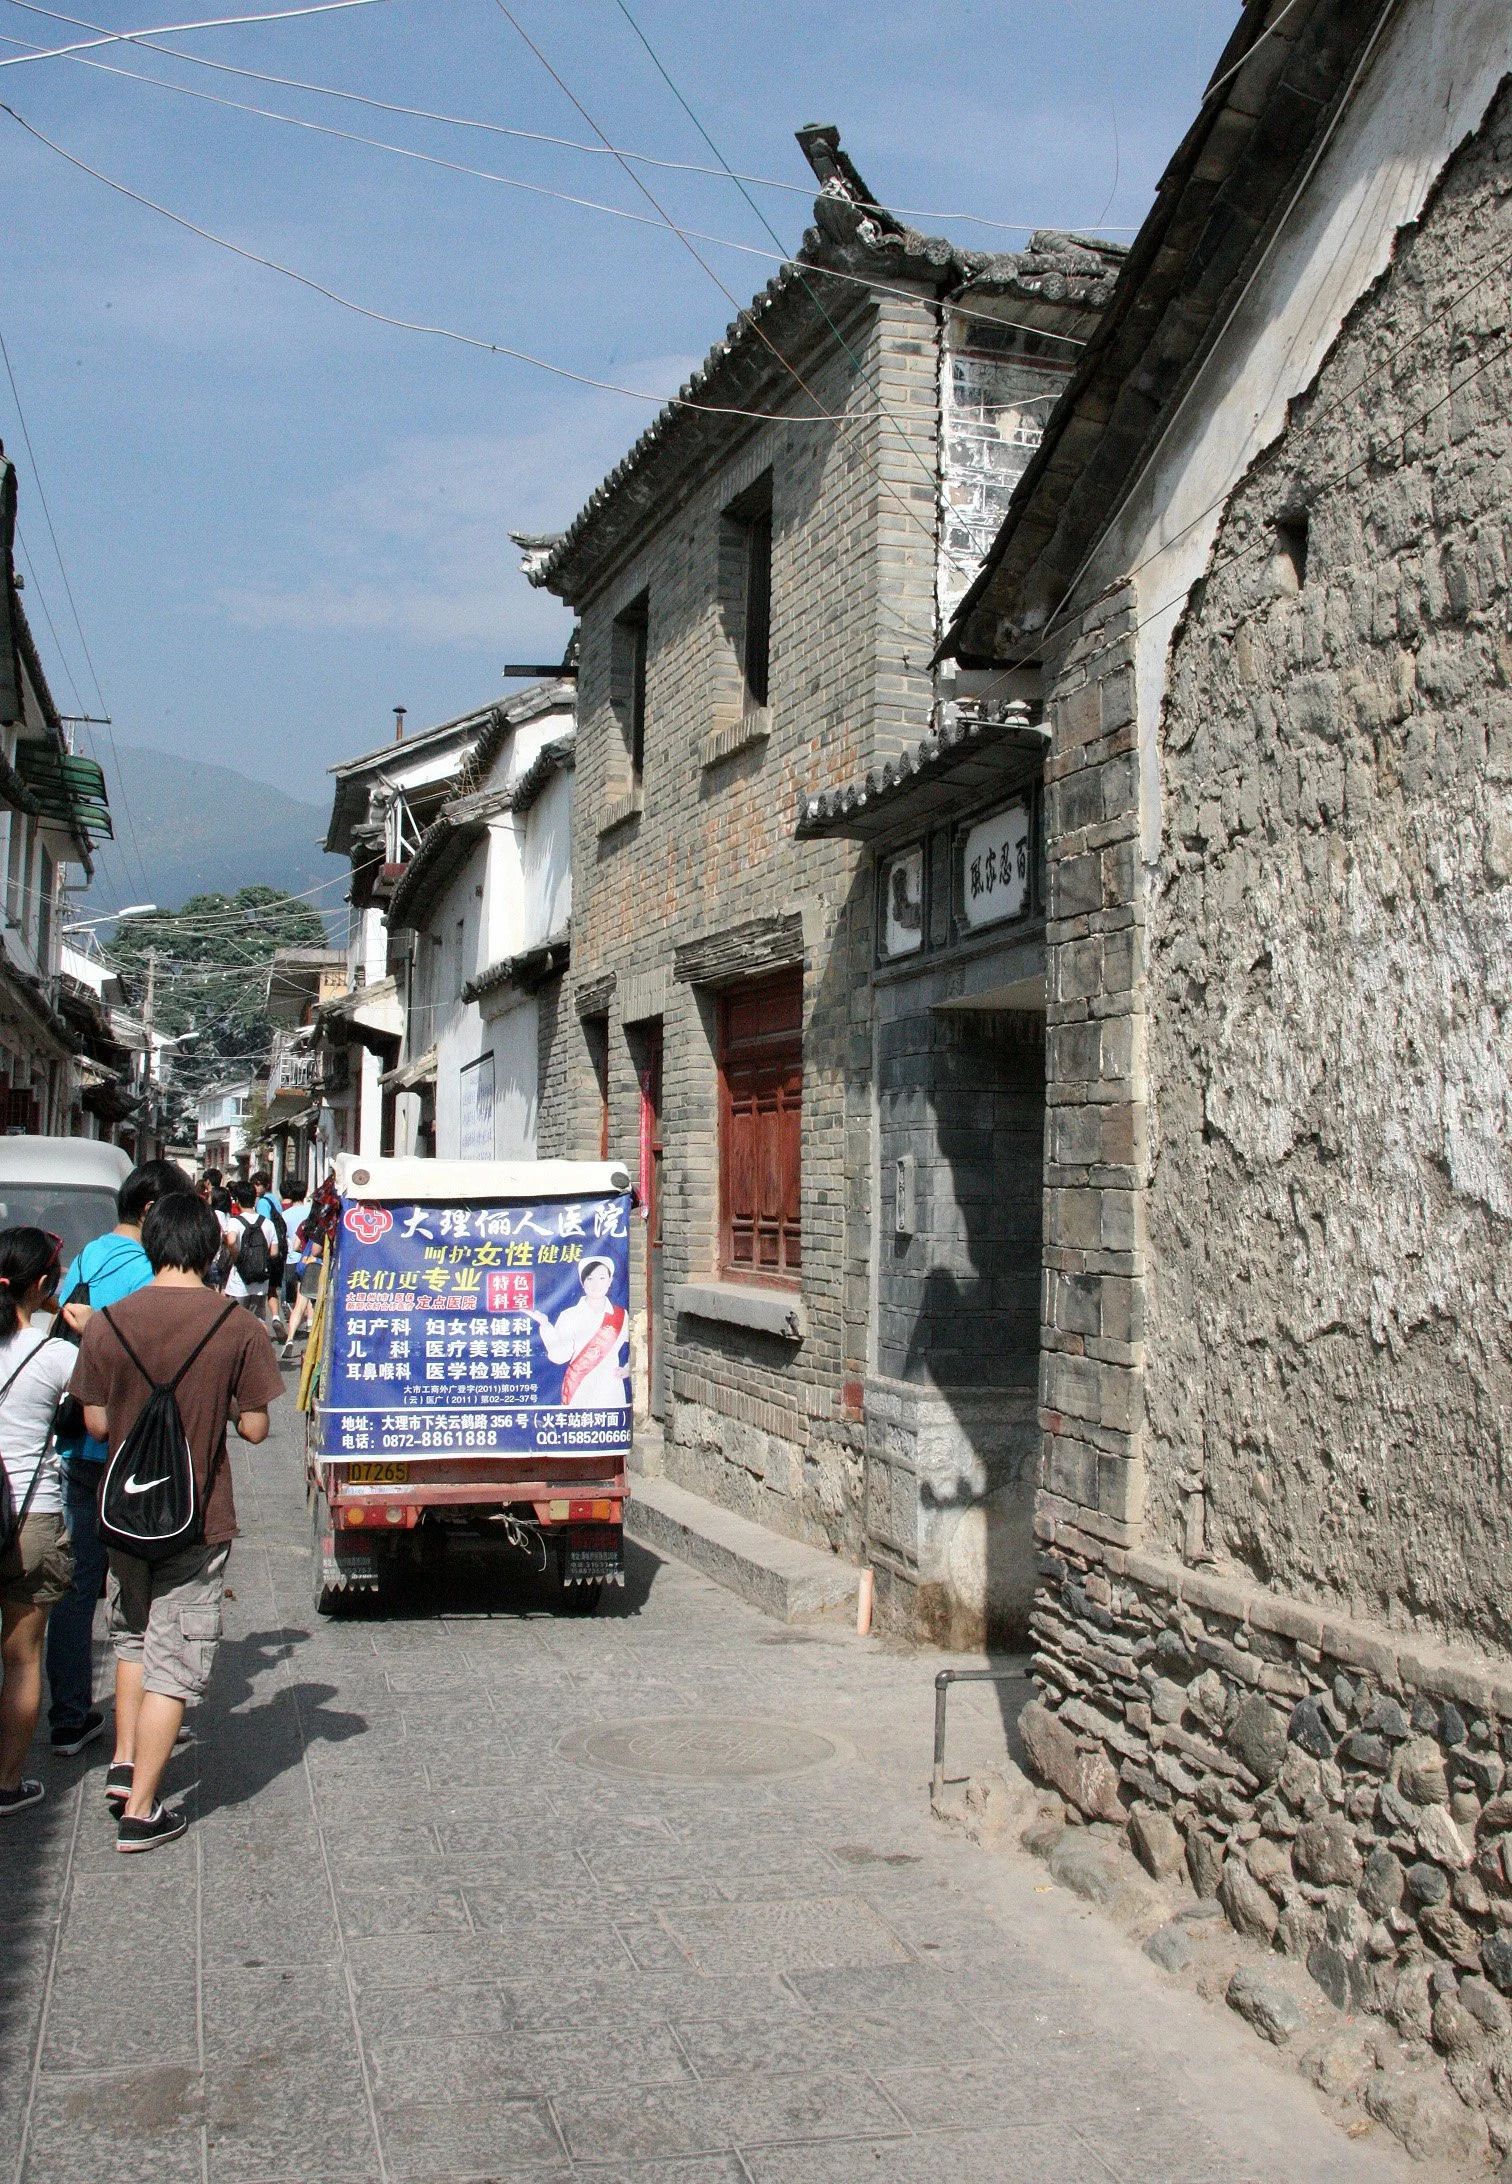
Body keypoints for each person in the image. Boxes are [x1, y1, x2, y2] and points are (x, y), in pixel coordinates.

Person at [71, 1192, 283, 1853]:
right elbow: (253, 1429)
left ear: (151, 1244)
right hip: (198, 1518)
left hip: (123, 1514)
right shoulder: (238, 1328)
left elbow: (98, 1422)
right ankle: (141, 1811)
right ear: (212, 1248)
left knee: (132, 1640)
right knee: (174, 1663)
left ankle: (123, 1763)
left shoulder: (108, 1323)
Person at [45, 1157, 197, 1757]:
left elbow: (70, 1318)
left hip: (79, 1446)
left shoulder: (86, 1256)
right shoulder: (146, 1269)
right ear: (154, 1210)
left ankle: (69, 1715)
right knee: (146, 1590)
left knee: (78, 1587)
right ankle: (154, 1711)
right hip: (135, 1450)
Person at [0, 1228, 79, 1815]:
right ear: (44, 1284)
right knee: (23, 1658)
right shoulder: (56, 1354)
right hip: (29, 1514)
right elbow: (96, 1419)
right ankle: (6, 1783)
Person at [529, 1257, 629, 1408]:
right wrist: (546, 1326)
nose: (596, 1284)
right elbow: (560, 1356)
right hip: (579, 1390)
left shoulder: (621, 1315)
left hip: (610, 1390)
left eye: (602, 1278)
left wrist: (629, 1368)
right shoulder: (569, 1315)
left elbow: (637, 1346)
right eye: (590, 1278)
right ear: (582, 1283)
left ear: (609, 1282)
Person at [218, 1179, 278, 1320]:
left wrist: (237, 1255)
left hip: (239, 1279)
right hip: (260, 1280)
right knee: (258, 1319)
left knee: (237, 1318)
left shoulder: (235, 1221)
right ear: (254, 1199)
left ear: (237, 1200)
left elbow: (232, 1240)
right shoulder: (268, 1223)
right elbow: (274, 1252)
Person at [251, 1171, 288, 1339]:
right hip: (279, 1250)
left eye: (258, 1184)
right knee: (272, 1287)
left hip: (267, 1251)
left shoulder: (263, 1203)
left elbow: (263, 1226)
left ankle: (261, 1326)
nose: (255, 1187)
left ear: (265, 1185)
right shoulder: (275, 1201)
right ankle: (276, 1317)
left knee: (260, 1290)